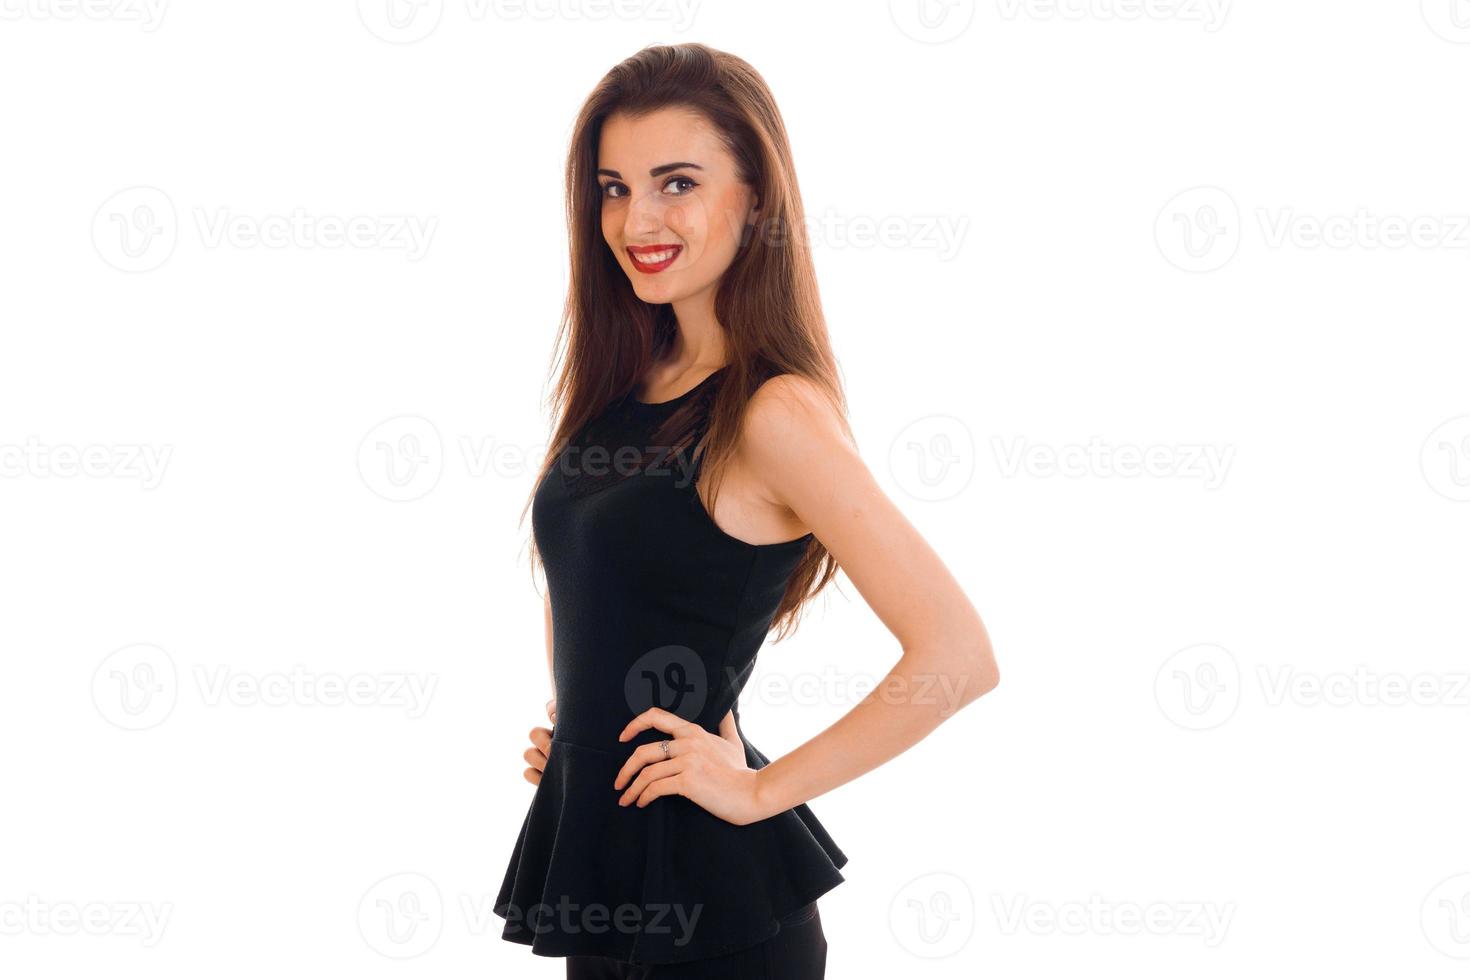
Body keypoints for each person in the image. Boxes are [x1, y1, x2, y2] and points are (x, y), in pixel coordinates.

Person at [494, 41, 1000, 979]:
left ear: (756, 198)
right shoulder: (623, 384)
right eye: (613, 186)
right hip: (609, 879)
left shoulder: (773, 412)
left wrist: (761, 789)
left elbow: (959, 657)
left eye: (676, 183)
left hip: (718, 919)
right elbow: (601, 581)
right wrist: (580, 732)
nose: (636, 217)